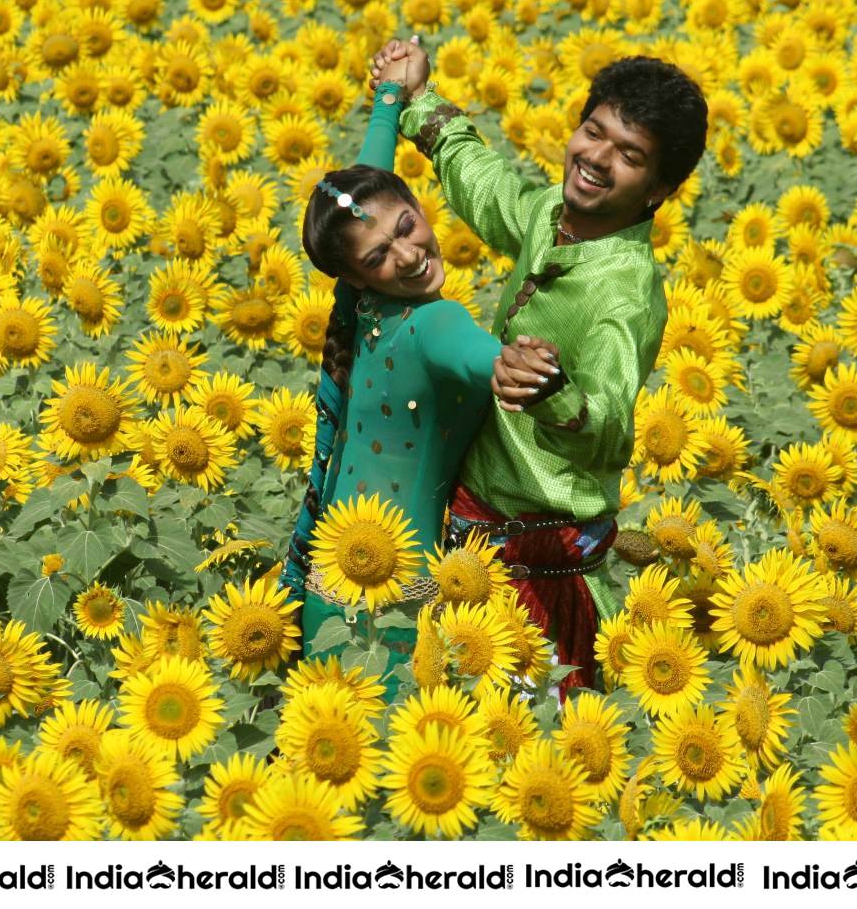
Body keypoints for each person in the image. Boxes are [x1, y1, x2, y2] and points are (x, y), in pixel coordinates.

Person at [369, 38, 708, 698]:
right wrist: (417, 100)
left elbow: (609, 424)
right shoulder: (552, 217)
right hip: (470, 522)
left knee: (526, 738)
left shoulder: (626, 294)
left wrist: (554, 392)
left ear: (660, 189)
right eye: (593, 133)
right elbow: (484, 183)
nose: (596, 159)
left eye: (630, 155)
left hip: (540, 555)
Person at [280, 48, 553, 692]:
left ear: (416, 204)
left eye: (409, 225)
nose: (408, 254)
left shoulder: (359, 302)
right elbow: (478, 356)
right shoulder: (436, 322)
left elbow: (360, 195)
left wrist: (390, 100)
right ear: (351, 272)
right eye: (381, 254)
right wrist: (512, 365)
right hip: (396, 604)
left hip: (328, 579)